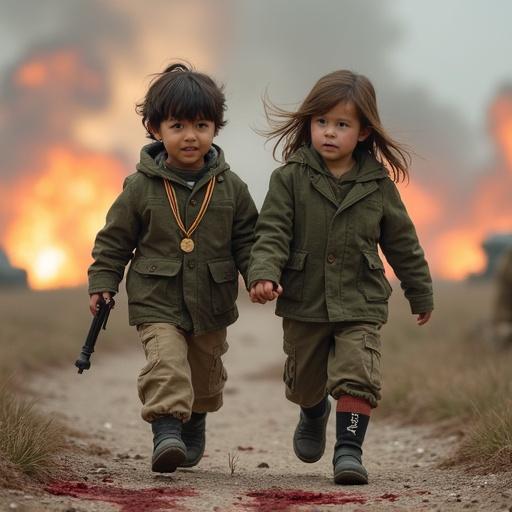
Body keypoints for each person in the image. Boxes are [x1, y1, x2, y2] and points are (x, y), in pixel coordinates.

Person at [248, 70, 433, 485]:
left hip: (360, 298)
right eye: (322, 122)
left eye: (342, 124)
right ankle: (313, 411)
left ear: (364, 131)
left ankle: (349, 451)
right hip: (305, 298)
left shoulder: (378, 185)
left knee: (358, 373)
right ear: (309, 123)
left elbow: (402, 242)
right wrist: (264, 273)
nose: (329, 132)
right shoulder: (289, 178)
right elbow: (272, 231)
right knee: (305, 383)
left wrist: (419, 291)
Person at [88, 63, 258, 473]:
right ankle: (166, 431)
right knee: (166, 363)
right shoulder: (140, 186)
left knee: (204, 373)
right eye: (178, 125)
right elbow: (114, 239)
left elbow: (249, 240)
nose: (190, 135)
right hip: (156, 297)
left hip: (211, 301)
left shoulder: (231, 187)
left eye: (201, 125)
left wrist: (259, 276)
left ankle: (194, 418)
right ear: (155, 128)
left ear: (216, 128)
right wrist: (103, 281)